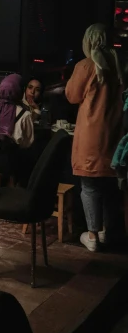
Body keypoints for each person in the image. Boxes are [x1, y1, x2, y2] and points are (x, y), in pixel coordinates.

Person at [66, 23, 124, 251]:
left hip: (91, 135)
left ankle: (92, 236)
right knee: (110, 187)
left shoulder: (86, 65)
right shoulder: (121, 64)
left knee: (89, 186)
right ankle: (108, 232)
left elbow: (71, 95)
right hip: (116, 134)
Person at [0, 74, 34, 184]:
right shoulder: (25, 115)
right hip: (9, 164)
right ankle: (18, 193)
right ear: (20, 91)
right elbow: (28, 143)